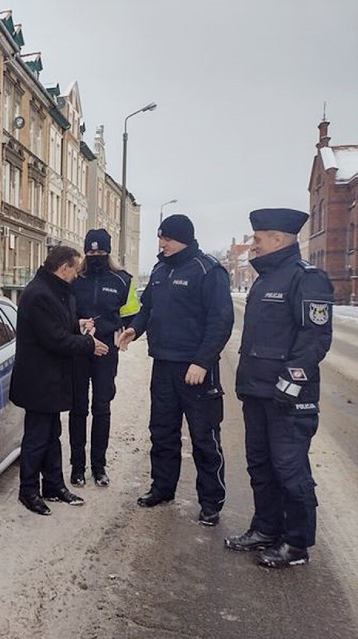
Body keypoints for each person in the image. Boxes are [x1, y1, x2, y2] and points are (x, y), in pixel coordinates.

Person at [225, 208, 333, 568]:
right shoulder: (265, 279)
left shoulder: (307, 279)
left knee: (289, 469)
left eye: (257, 239)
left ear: (278, 239)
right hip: (257, 392)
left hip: (288, 398)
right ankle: (266, 529)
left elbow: (315, 339)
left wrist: (290, 384)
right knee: (260, 465)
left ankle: (297, 543)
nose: (252, 245)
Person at [117, 214, 233, 526]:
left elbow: (221, 321)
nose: (162, 244)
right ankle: (162, 487)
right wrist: (134, 330)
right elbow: (147, 309)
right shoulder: (159, 269)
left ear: (183, 238)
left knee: (204, 438)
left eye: (166, 238)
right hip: (164, 366)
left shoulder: (208, 270)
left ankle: (211, 501)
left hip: (196, 370)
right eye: (160, 238)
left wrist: (202, 361)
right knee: (163, 432)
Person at [10, 245, 109, 515]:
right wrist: (89, 344)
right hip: (38, 380)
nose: (77, 275)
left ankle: (53, 485)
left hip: (52, 379)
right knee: (37, 438)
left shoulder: (56, 290)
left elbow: (59, 327)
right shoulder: (39, 294)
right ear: (63, 268)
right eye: (75, 270)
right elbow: (55, 340)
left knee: (52, 435)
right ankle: (28, 491)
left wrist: (78, 325)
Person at [69, 229, 140, 488]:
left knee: (102, 407)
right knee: (78, 408)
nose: (95, 255)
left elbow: (133, 314)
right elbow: (63, 313)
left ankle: (99, 467)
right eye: (91, 251)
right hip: (78, 349)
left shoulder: (122, 280)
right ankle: (77, 467)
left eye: (100, 252)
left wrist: (125, 331)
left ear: (108, 252)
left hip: (105, 352)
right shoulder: (75, 278)